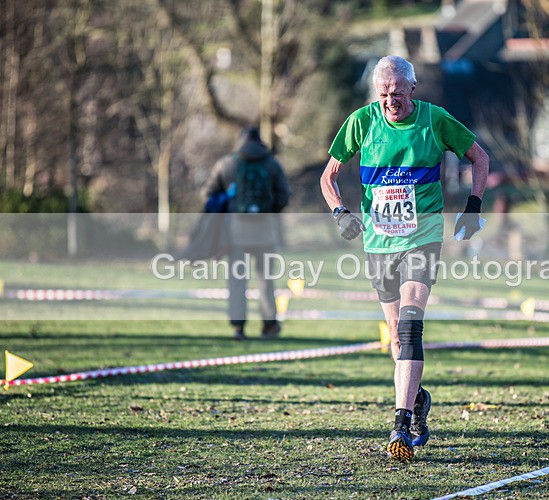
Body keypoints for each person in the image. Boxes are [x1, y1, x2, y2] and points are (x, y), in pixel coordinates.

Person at [319, 56, 489, 461]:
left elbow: (479, 158)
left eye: (397, 92)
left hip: (422, 237)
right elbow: (328, 177)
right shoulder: (361, 122)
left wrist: (473, 206)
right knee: (396, 340)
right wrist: (340, 213)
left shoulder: (435, 120)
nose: (390, 101)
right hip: (379, 245)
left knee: (412, 327)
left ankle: (400, 423)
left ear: (412, 88)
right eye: (383, 94)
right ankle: (417, 401)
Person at [206, 127, 291, 341]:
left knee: (237, 280)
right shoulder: (271, 163)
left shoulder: (227, 163)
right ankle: (269, 326)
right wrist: (270, 212)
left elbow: (209, 194)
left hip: (235, 233)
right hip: (265, 232)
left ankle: (238, 328)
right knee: (266, 280)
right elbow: (284, 195)